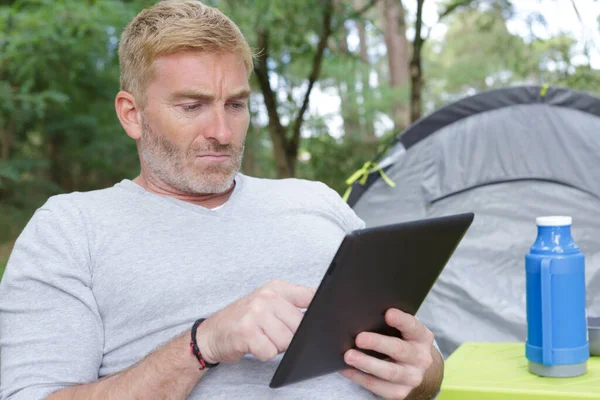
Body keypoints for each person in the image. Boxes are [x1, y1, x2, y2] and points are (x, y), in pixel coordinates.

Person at [0, 1, 443, 399]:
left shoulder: (316, 201)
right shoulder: (72, 228)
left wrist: (421, 373)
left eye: (235, 104)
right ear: (131, 114)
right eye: (192, 106)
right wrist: (203, 343)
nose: (222, 132)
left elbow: (426, 366)